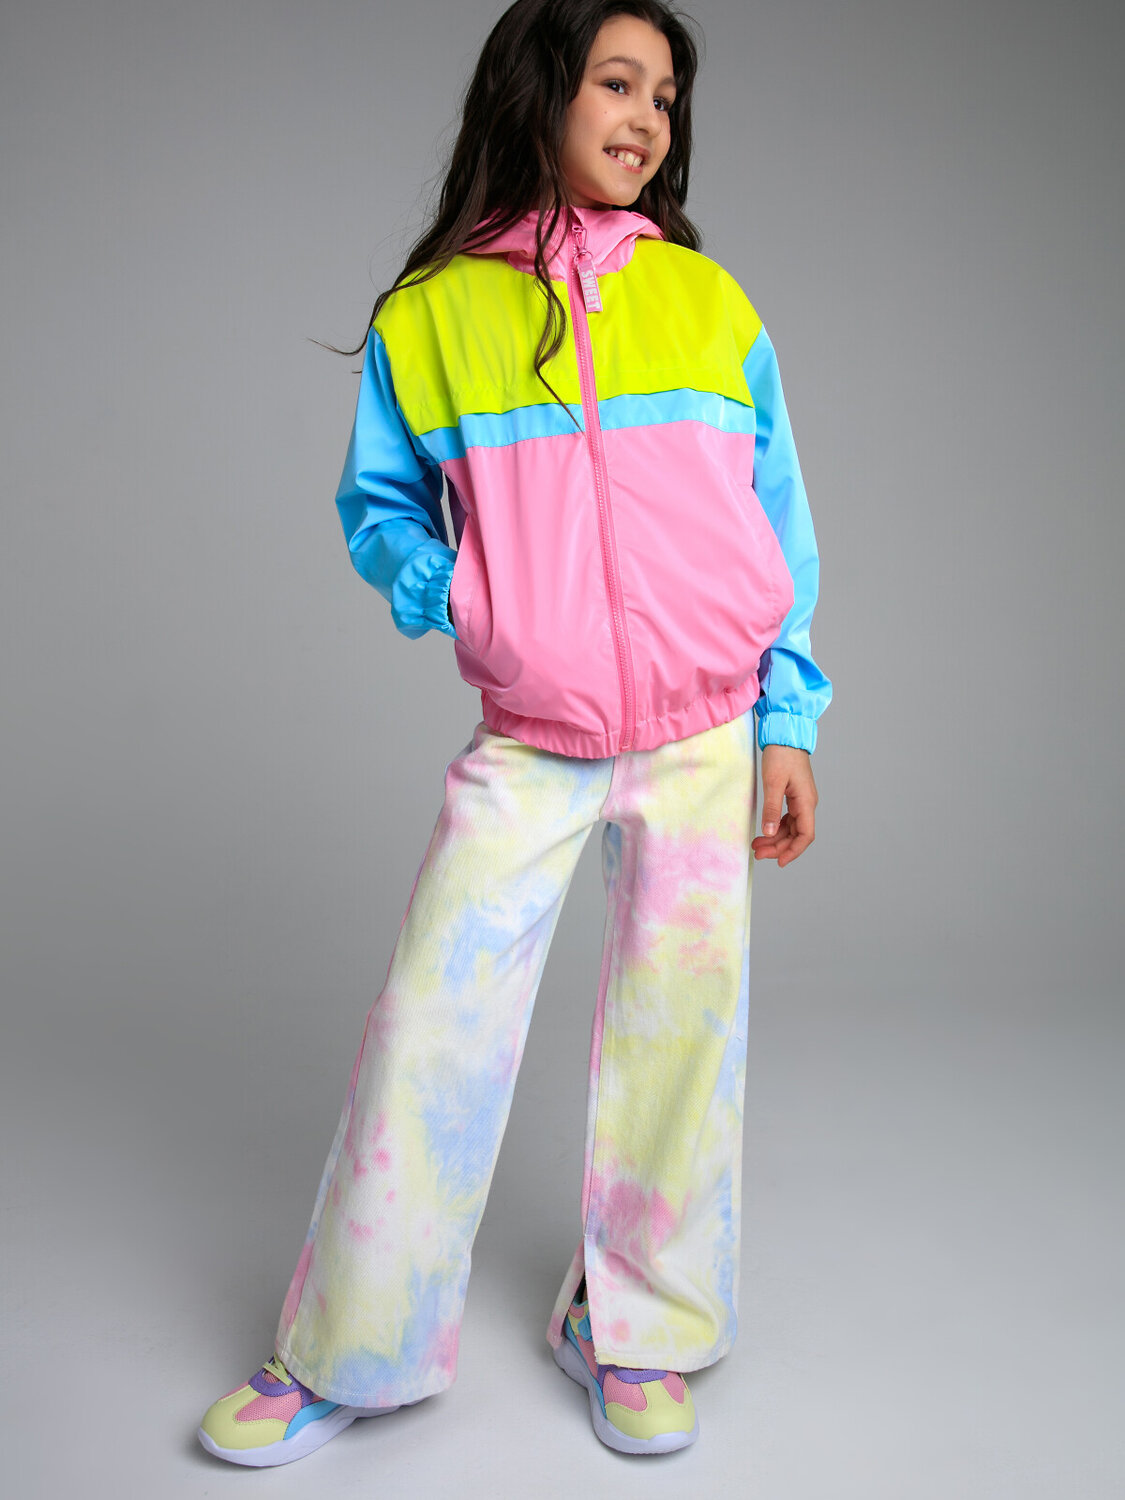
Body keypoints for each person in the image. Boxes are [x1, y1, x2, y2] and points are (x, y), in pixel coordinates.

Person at [196, 0, 831, 1466]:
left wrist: (787, 713)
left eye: (664, 97)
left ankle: (635, 1327)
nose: (645, 119)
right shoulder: (434, 315)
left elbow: (778, 517)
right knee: (435, 1026)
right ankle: (347, 1347)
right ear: (539, 91)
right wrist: (471, 601)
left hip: (704, 727)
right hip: (536, 732)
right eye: (616, 83)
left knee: (682, 1033)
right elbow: (379, 508)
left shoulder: (707, 302)